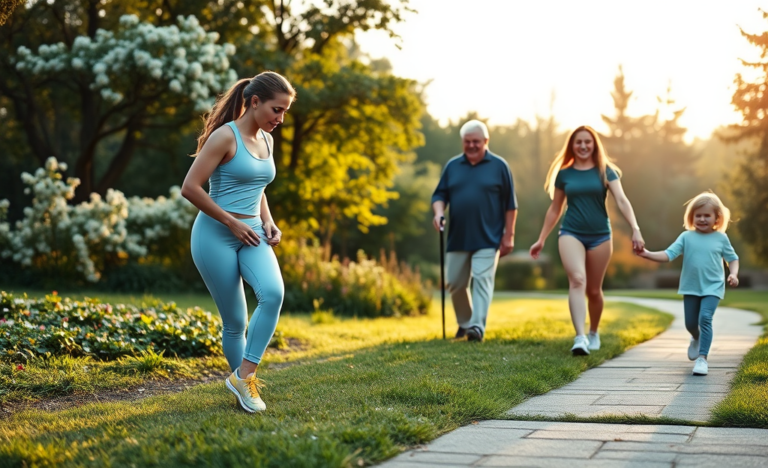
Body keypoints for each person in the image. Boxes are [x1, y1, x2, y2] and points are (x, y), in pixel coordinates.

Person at [181, 71, 296, 413]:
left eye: (285, 111)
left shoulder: (267, 140)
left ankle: (244, 374)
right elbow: (190, 188)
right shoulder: (224, 137)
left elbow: (257, 188)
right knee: (235, 320)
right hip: (214, 235)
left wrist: (268, 221)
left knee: (273, 293)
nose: (281, 118)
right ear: (255, 101)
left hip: (253, 233)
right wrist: (230, 222)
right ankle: (245, 390)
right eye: (277, 109)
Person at [529, 126, 644, 355]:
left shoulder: (606, 171)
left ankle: (593, 332)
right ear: (572, 145)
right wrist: (541, 238)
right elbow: (555, 209)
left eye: (587, 142)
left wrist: (635, 229)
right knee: (577, 280)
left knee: (593, 290)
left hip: (601, 236)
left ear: (594, 145)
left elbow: (622, 200)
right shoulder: (565, 173)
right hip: (571, 233)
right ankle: (580, 337)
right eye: (578, 142)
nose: (583, 146)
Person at [431, 119, 518, 343]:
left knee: (482, 279)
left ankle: (477, 327)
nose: (471, 145)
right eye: (467, 141)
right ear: (462, 142)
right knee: (455, 283)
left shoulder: (499, 166)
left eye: (476, 141)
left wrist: (509, 235)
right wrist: (439, 213)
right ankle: (465, 323)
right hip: (458, 236)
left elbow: (510, 204)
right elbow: (439, 196)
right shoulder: (452, 166)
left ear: (486, 141)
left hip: (489, 237)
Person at [637, 191, 739, 376]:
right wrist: (647, 253)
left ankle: (702, 359)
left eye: (706, 215)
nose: (701, 219)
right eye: (697, 215)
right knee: (691, 323)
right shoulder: (686, 237)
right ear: (691, 217)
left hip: (713, 286)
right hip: (691, 286)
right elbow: (668, 255)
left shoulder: (721, 239)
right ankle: (696, 337)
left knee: (705, 318)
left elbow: (733, 258)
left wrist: (733, 274)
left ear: (717, 217)